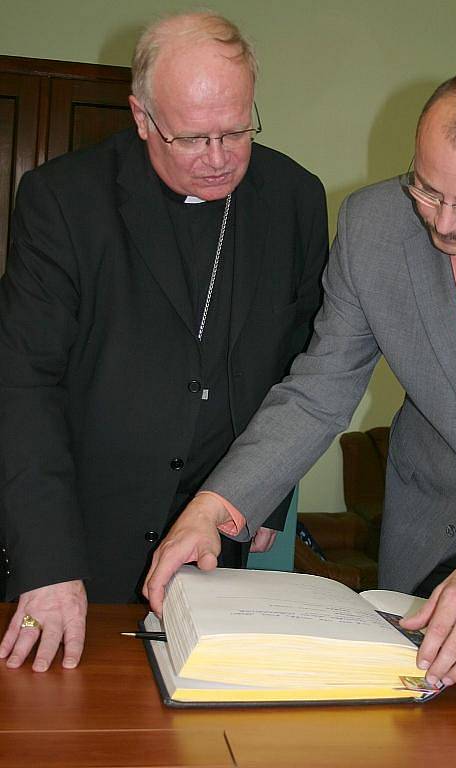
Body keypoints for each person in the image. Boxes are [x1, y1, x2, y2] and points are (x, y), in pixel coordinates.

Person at [151, 69, 456, 689]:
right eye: (427, 188)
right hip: (429, 531)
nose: (443, 223)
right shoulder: (373, 225)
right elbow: (320, 388)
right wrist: (215, 505)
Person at [0, 12, 328, 671]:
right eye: (193, 138)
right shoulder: (63, 201)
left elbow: (302, 364)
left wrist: (264, 490)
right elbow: (22, 384)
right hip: (82, 533)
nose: (219, 158)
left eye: (237, 131)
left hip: (217, 535)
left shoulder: (295, 197)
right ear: (143, 117)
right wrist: (47, 561)